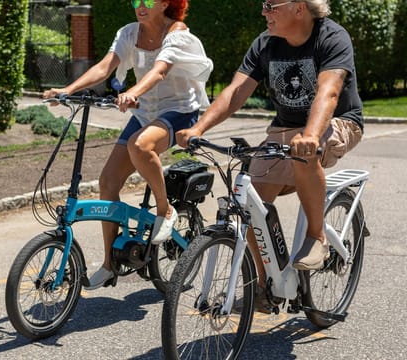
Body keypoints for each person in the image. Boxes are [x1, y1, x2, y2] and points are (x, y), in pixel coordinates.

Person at [177, 0, 363, 309]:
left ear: (299, 8)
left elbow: (328, 92)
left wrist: (312, 135)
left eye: (270, 5)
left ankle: (316, 237)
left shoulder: (330, 37)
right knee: (251, 201)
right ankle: (267, 285)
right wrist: (199, 128)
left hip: (336, 123)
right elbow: (236, 91)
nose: (264, 12)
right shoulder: (266, 43)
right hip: (285, 129)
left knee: (305, 153)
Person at [43, 0, 213, 290]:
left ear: (166, 3)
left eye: (148, 0)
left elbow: (159, 71)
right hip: (145, 112)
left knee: (141, 145)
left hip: (179, 111)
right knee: (108, 182)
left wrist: (132, 92)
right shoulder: (129, 33)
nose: (140, 5)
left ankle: (165, 210)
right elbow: (105, 66)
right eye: (136, 0)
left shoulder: (177, 33)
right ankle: (110, 264)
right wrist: (67, 90)